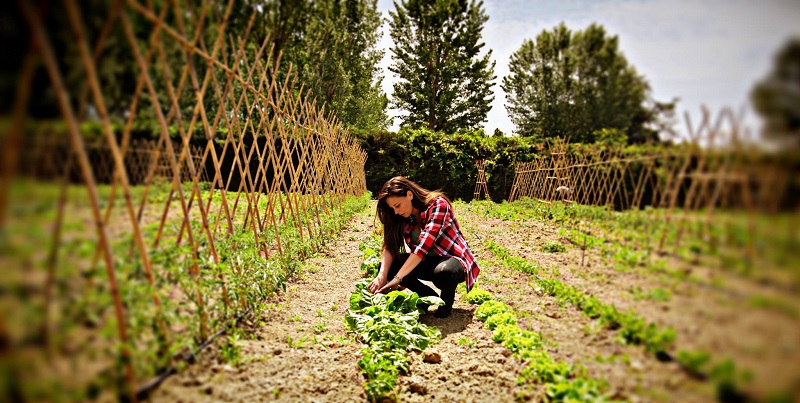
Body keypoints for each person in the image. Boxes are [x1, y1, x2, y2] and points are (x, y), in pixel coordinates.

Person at [368, 176, 480, 318]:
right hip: (426, 261)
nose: (396, 211)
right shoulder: (401, 216)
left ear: (409, 194)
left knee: (444, 272)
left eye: (397, 205)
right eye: (392, 208)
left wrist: (397, 278)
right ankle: (426, 294)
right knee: (389, 266)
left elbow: (422, 248)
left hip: (452, 260)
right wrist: (382, 276)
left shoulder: (438, 205)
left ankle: (446, 302)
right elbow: (390, 246)